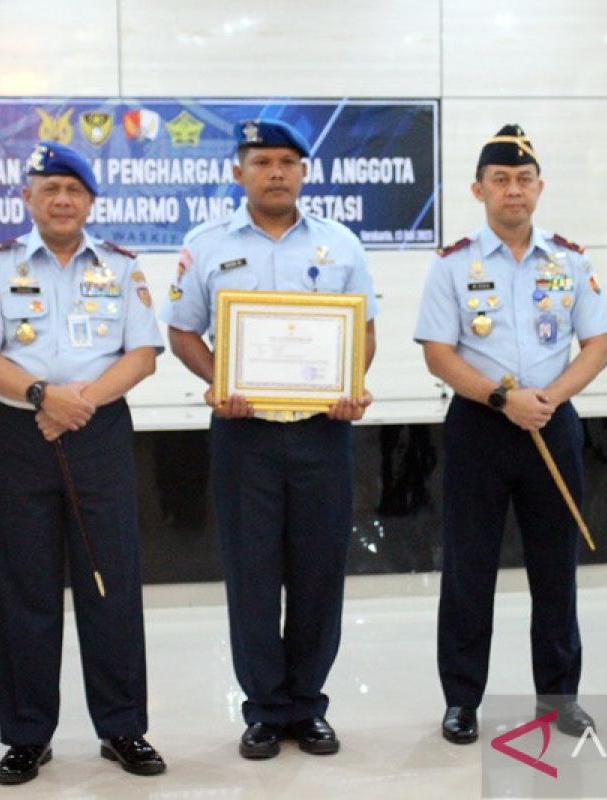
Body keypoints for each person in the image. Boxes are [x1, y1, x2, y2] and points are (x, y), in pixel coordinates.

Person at [162, 118, 377, 759]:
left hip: (323, 433)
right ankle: (263, 708)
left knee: (318, 574)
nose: (276, 172)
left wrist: (349, 383)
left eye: (287, 161)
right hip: (242, 434)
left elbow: (363, 332)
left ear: (304, 172)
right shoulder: (204, 246)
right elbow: (182, 334)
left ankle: (307, 705)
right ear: (238, 172)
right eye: (262, 162)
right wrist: (217, 379)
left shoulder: (341, 245)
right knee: (251, 573)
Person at [0, 141, 166, 782]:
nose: (63, 199)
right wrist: (45, 396)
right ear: (29, 198)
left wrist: (77, 404)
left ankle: (123, 728)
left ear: (91, 201)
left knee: (112, 584)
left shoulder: (123, 268)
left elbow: (143, 353)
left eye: (74, 190)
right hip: (21, 433)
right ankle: (26, 735)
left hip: (98, 432)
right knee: (25, 588)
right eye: (50, 189)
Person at [414, 124, 607, 744]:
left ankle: (559, 699)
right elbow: (439, 353)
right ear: (479, 189)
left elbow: (599, 346)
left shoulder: (570, 260)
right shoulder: (453, 265)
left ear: (540, 187)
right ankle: (462, 701)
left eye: (524, 179)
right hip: (480, 427)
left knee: (556, 570)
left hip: (552, 424)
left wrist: (549, 397)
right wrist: (503, 398)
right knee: (469, 571)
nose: (513, 190)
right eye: (500, 179)